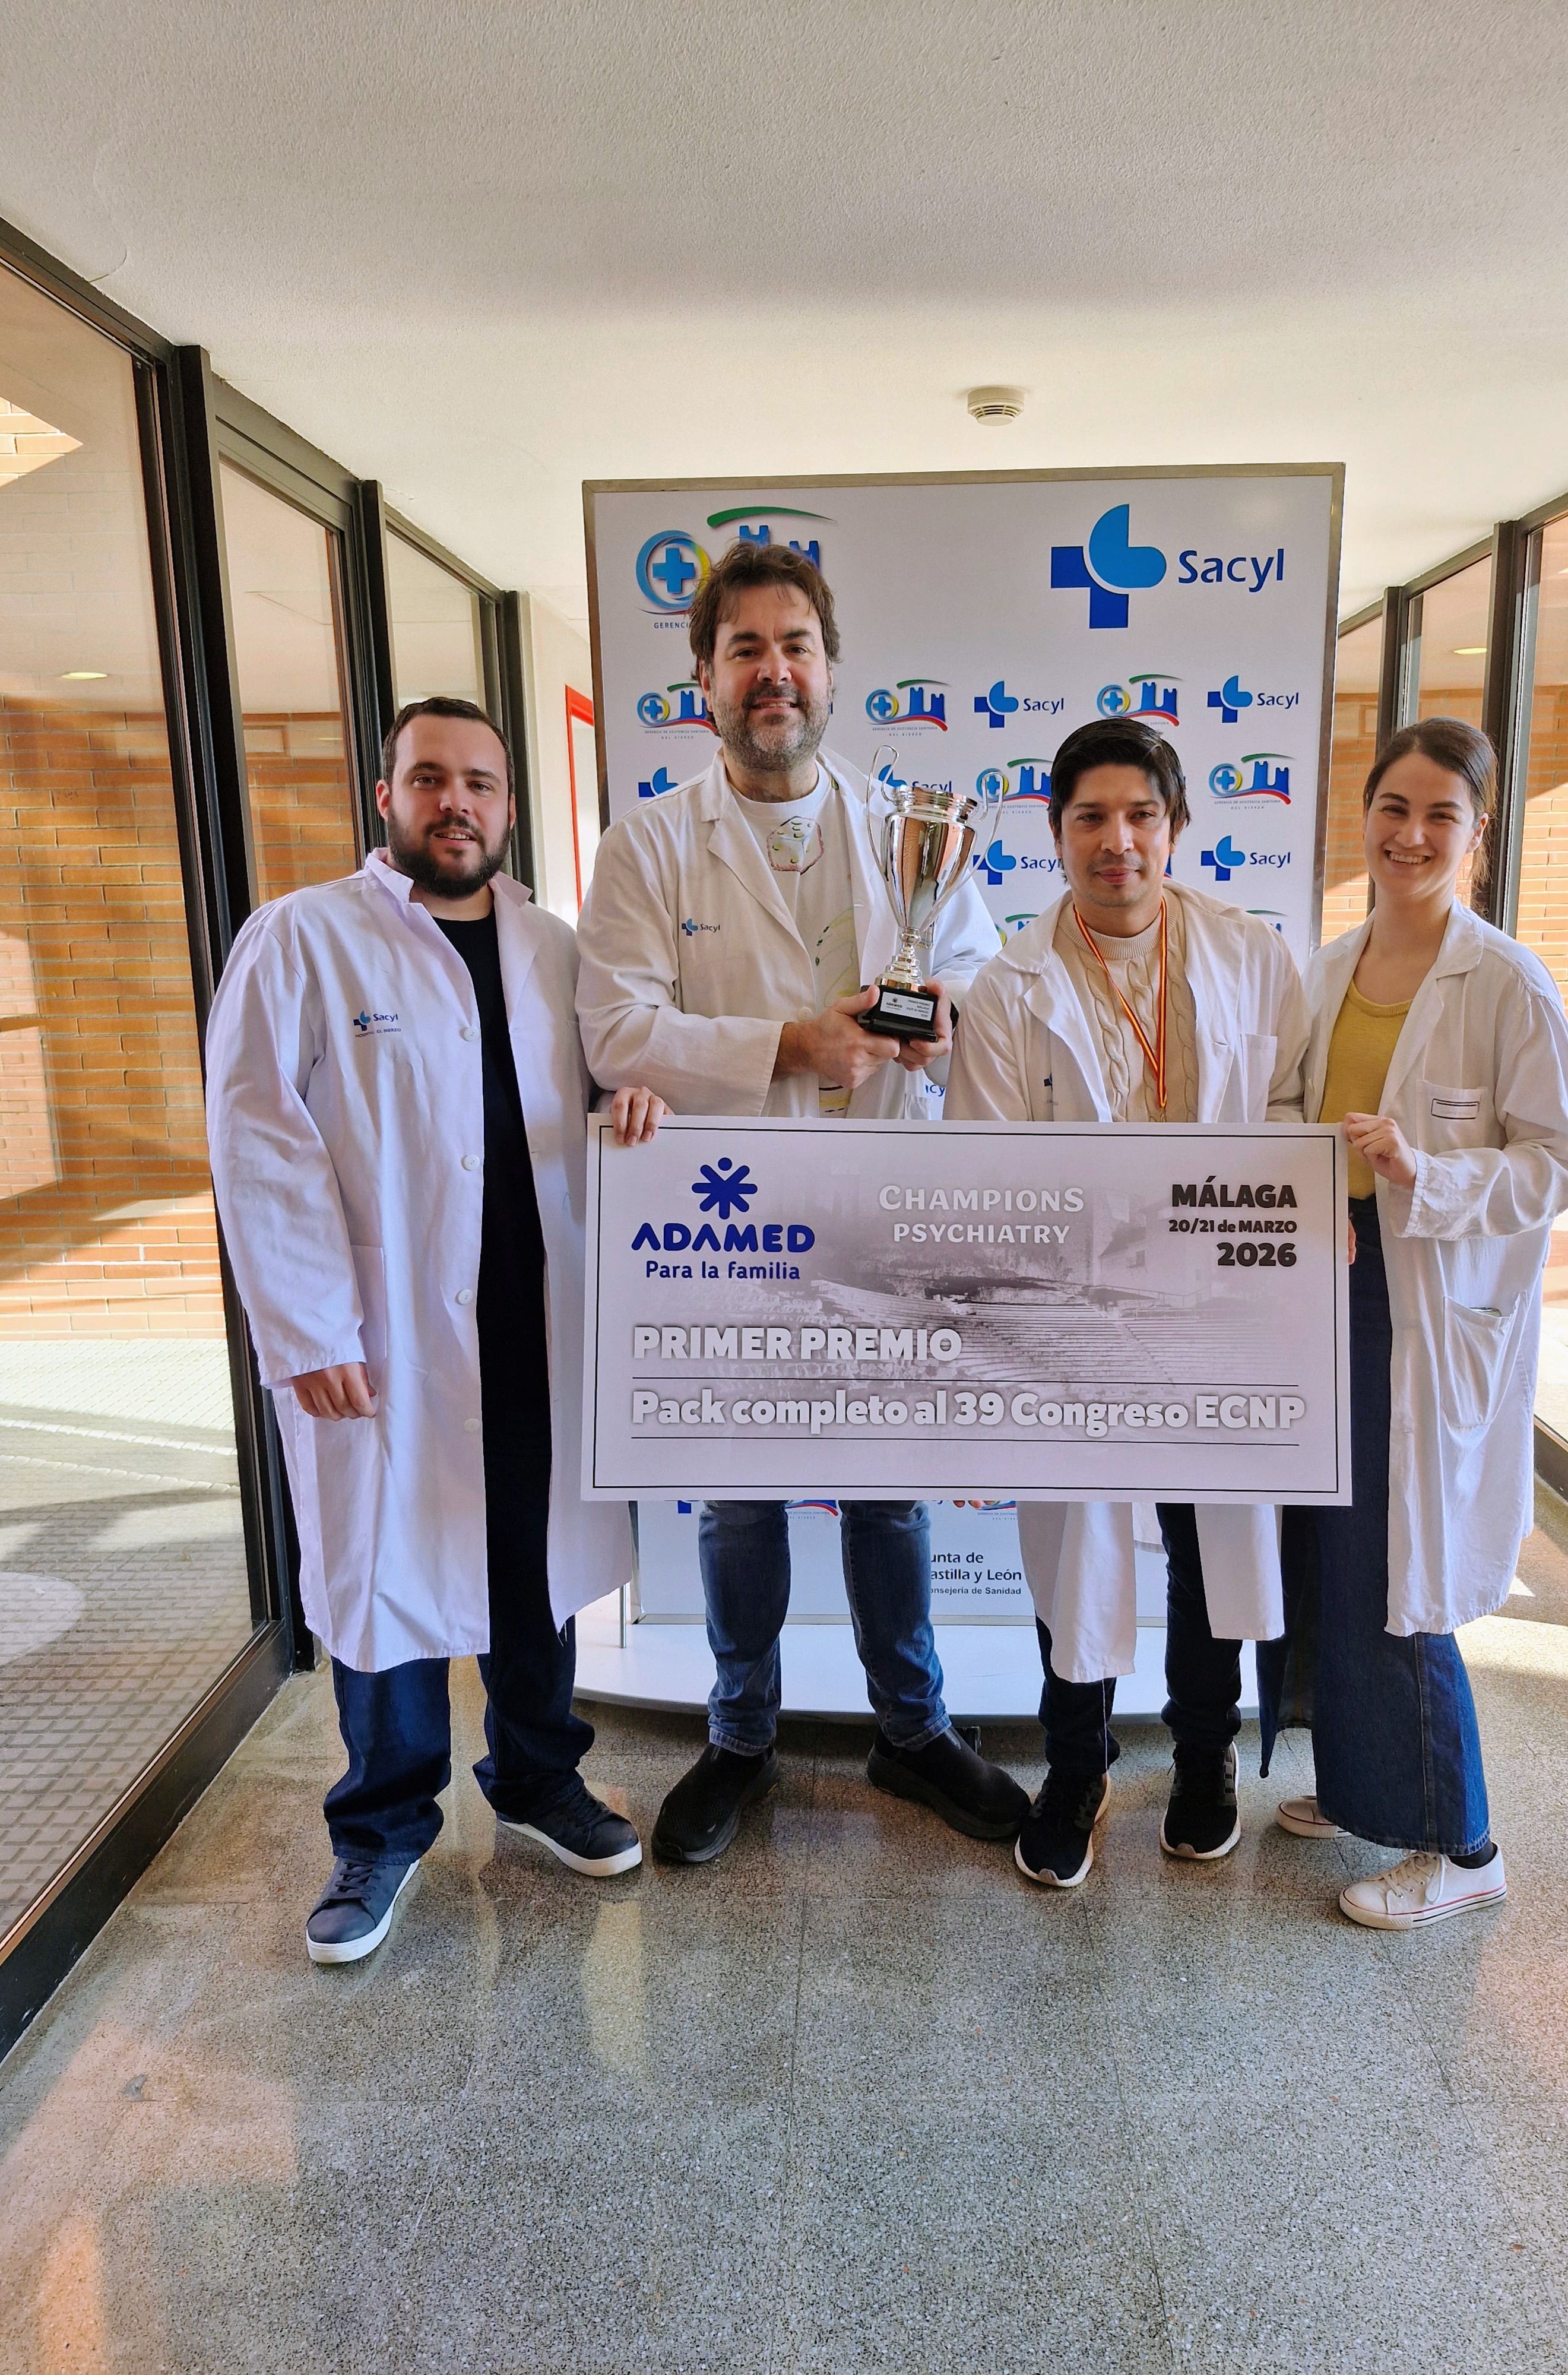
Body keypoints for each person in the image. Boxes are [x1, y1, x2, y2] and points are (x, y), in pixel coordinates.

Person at [576, 539, 1027, 1863]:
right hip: (728, 1224)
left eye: (797, 647)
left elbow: (981, 992)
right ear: (703, 679)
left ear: (833, 671)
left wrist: (942, 1025)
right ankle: (740, 1738)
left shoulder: (908, 829)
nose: (774, 672)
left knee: (890, 1491)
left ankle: (912, 1729)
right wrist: (786, 1043)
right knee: (738, 1496)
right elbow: (614, 1027)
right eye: (745, 651)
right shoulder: (651, 843)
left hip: (885, 1202)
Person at [207, 696, 667, 1966]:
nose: (455, 802)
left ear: (510, 809)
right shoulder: (301, 941)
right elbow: (257, 1145)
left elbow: (607, 1082)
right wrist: (305, 1326)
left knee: (531, 1563)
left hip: (539, 1317)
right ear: (386, 797)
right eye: (429, 779)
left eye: (479, 783)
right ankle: (382, 1823)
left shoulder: (561, 950)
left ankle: (537, 1778)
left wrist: (632, 1100)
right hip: (384, 1330)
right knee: (385, 1577)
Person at [946, 715, 1310, 1885]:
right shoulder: (1010, 987)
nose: (1118, 841)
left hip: (1217, 1304)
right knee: (1076, 1551)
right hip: (1077, 1317)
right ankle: (1076, 1766)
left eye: (1140, 815)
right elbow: (987, 1175)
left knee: (1209, 1547)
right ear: (1054, 833)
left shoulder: (1252, 953)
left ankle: (1201, 1761)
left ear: (1177, 825)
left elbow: (1295, 1113)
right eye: (1091, 818)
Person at [1263, 716, 1568, 1928]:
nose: (1410, 833)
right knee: (1337, 1559)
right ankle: (1363, 1787)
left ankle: (1463, 1842)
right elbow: (1295, 1107)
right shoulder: (1331, 961)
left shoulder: (1505, 980)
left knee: (1409, 1570)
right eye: (1393, 806)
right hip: (1331, 1287)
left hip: (1424, 1306)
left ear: (1478, 831)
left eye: (1440, 814)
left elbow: (1565, 1159)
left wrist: (1427, 1170)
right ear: (1365, 814)